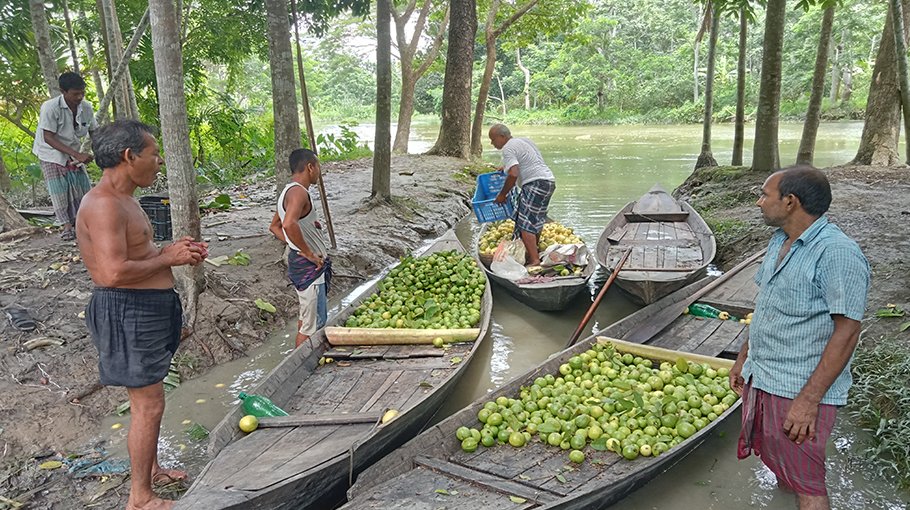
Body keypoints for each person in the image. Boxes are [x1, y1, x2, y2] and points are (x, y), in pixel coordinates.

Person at [76, 120, 206, 510]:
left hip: (147, 308)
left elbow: (136, 254)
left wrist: (172, 251)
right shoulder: (103, 204)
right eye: (154, 153)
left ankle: (151, 471)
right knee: (148, 404)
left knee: (149, 400)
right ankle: (140, 498)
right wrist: (166, 259)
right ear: (129, 156)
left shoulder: (127, 199)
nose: (159, 161)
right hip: (128, 312)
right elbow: (111, 273)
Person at [729, 165, 870, 510]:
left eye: (765, 195)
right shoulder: (780, 240)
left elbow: (848, 330)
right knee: (783, 465)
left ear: (790, 201)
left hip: (797, 388)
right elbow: (766, 305)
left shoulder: (837, 253)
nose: (759, 202)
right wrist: (744, 356)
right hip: (765, 375)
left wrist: (808, 402)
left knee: (808, 483)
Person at [269, 148, 331, 348]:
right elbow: (288, 224)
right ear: (310, 167)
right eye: (318, 166)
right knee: (312, 326)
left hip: (302, 263)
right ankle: (304, 362)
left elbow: (275, 226)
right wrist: (308, 253)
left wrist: (295, 245)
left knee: (306, 319)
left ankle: (299, 356)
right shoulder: (298, 192)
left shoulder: (287, 192)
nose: (319, 171)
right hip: (310, 268)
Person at [33, 72, 98, 241]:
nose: (80, 97)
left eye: (82, 93)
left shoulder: (86, 108)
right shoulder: (50, 107)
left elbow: (94, 132)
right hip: (50, 151)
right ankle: (66, 226)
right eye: (75, 94)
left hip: (71, 148)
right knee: (59, 190)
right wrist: (77, 154)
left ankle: (82, 222)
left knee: (82, 185)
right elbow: (48, 137)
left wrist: (101, 152)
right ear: (63, 92)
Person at [488, 123, 556, 266]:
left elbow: (513, 174)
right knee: (535, 220)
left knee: (525, 224)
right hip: (548, 181)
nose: (492, 143)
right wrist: (505, 167)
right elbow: (526, 161)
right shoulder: (524, 141)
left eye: (493, 139)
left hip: (534, 184)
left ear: (502, 136)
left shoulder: (508, 148)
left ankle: (535, 260)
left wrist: (502, 194)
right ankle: (533, 253)